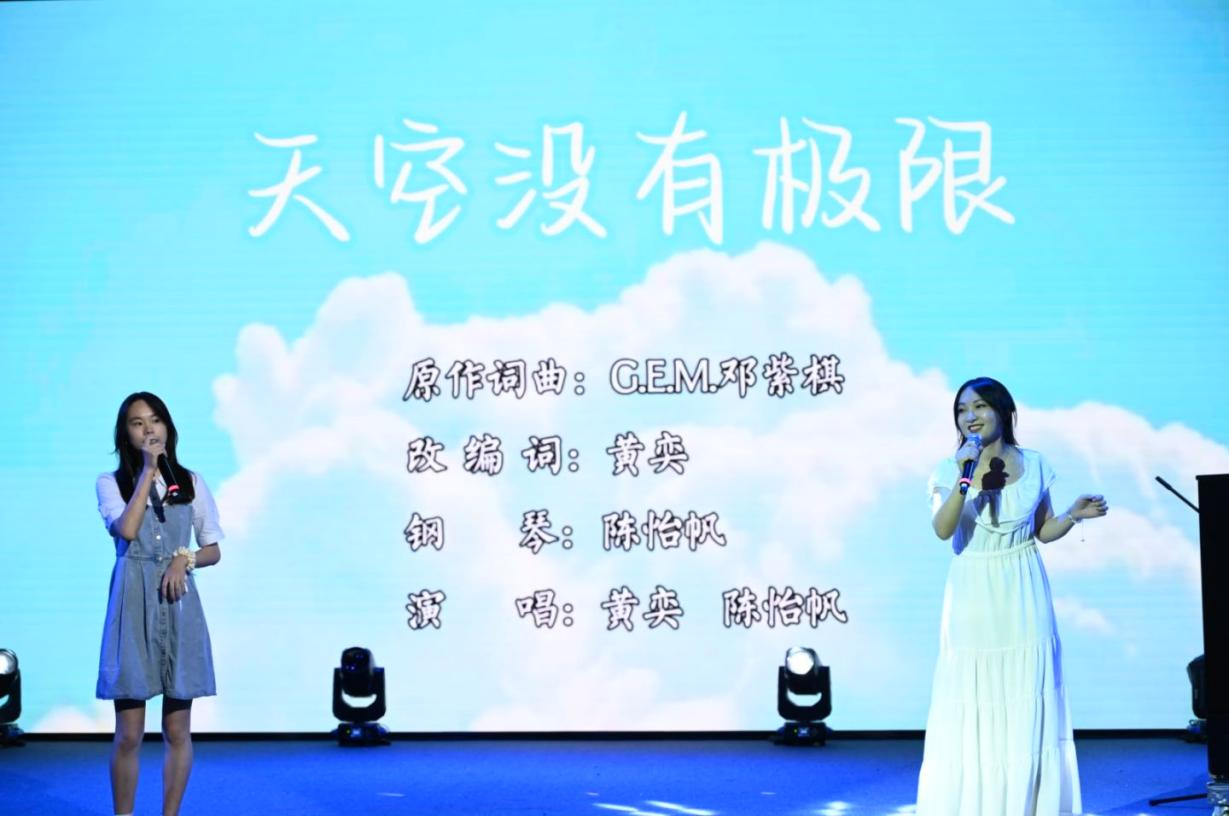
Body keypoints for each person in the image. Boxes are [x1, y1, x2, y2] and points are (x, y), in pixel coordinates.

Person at [915, 377, 1108, 816]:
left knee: (1026, 691)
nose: (970, 417)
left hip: (1023, 587)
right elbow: (943, 529)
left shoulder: (1035, 463)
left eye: (980, 406)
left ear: (1004, 412)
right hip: (973, 590)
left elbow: (1043, 531)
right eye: (962, 410)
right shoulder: (948, 469)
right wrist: (964, 479)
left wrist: (1073, 515)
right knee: (974, 695)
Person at [96, 392, 223, 816]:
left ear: (168, 427)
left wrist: (184, 559)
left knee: (178, 729)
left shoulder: (190, 482)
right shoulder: (111, 482)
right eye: (137, 423)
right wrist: (148, 471)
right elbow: (127, 531)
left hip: (179, 604)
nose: (148, 429)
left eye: (155, 420)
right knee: (129, 732)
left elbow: (212, 549)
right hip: (133, 606)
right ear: (125, 434)